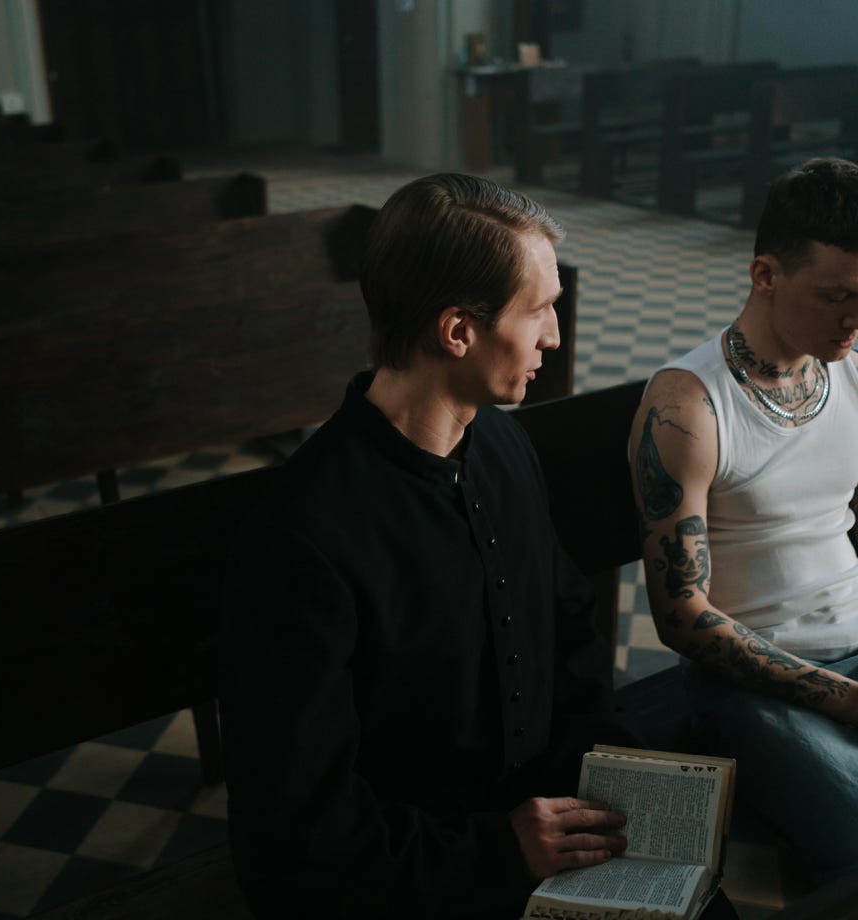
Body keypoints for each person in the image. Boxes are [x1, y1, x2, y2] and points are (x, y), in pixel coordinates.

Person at [218, 174, 639, 920]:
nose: (555, 335)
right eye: (539, 309)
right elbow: (296, 838)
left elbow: (566, 620)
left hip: (548, 826)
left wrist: (606, 775)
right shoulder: (303, 538)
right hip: (421, 881)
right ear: (457, 332)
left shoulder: (502, 442)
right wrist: (504, 850)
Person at [629, 157, 858, 882]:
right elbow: (682, 616)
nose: (854, 319)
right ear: (765, 275)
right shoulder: (688, 406)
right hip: (750, 686)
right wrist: (845, 699)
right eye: (834, 296)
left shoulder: (849, 363)